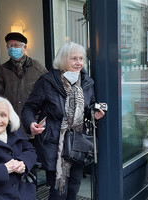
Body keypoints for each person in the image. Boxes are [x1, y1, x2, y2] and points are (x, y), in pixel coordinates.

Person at [21, 42, 106, 200]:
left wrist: (94, 113)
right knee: (58, 193)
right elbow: (29, 108)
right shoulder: (47, 82)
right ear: (62, 60)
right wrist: (30, 124)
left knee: (73, 189)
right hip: (55, 143)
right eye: (73, 58)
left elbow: (88, 109)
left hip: (78, 143)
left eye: (81, 58)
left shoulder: (87, 83)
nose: (78, 62)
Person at [0, 32, 48, 138]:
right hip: (11, 124)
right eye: (9, 46)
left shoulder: (38, 68)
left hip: (33, 124)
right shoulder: (2, 70)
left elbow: (47, 93)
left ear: (25, 47)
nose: (12, 48)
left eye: (15, 45)